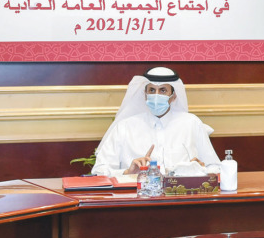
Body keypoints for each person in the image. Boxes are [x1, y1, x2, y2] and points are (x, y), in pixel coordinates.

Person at [91, 67, 220, 176]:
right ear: (145, 94)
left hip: (180, 198)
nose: (156, 95)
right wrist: (127, 172)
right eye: (152, 90)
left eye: (163, 90)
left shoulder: (191, 123)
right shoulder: (124, 127)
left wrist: (200, 170)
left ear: (174, 96)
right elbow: (98, 171)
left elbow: (216, 167)